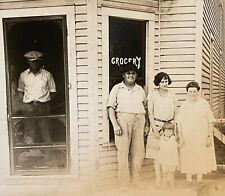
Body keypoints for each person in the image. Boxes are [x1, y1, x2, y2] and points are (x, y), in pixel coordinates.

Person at [107, 63, 147, 188]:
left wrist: (146, 125)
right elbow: (110, 108)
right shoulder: (117, 88)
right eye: (128, 73)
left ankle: (137, 181)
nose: (131, 75)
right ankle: (124, 183)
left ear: (136, 75)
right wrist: (115, 125)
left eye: (133, 73)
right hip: (123, 121)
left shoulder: (140, 89)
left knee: (139, 153)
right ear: (123, 75)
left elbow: (144, 107)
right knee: (123, 153)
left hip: (139, 120)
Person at [176, 81, 217, 184]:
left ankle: (199, 179)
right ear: (187, 93)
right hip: (187, 136)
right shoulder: (184, 105)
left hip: (201, 136)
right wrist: (180, 136)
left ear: (198, 92)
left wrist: (209, 136)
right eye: (190, 92)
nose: (192, 94)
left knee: (200, 155)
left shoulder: (204, 104)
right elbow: (179, 122)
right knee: (187, 155)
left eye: (194, 91)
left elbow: (211, 121)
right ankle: (188, 179)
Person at [145, 72, 177, 187]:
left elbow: (175, 113)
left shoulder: (172, 95)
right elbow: (150, 113)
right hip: (157, 126)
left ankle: (168, 179)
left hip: (169, 127)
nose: (164, 83)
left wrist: (174, 128)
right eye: (162, 81)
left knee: (168, 153)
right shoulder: (153, 95)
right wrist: (154, 129)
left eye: (166, 81)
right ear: (157, 83)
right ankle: (158, 179)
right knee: (156, 154)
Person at [18, 50, 56, 143]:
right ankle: (29, 154)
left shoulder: (47, 74)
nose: (35, 64)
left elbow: (53, 91)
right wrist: (25, 105)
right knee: (29, 131)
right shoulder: (23, 75)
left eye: (36, 62)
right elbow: (20, 91)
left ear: (40, 62)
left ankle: (48, 155)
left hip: (43, 106)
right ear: (28, 62)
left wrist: (44, 102)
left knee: (46, 132)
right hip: (28, 107)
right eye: (32, 62)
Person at [158, 122, 179, 188]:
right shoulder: (161, 138)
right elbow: (158, 146)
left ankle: (172, 184)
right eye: (167, 131)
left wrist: (182, 144)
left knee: (171, 172)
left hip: (172, 159)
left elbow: (177, 146)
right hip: (164, 158)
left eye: (170, 131)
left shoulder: (173, 138)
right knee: (164, 172)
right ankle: (165, 184)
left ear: (173, 132)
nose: (168, 133)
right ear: (163, 131)